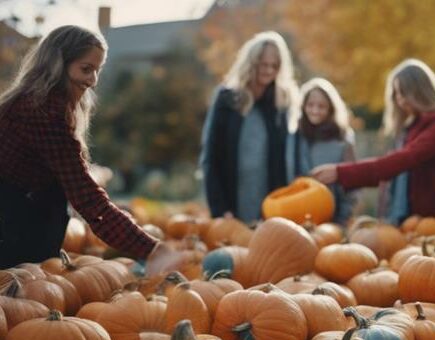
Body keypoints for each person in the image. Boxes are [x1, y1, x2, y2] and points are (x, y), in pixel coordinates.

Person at [0, 25, 182, 272]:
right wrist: (152, 250)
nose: (93, 81)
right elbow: (88, 200)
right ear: (58, 65)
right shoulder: (43, 114)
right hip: (11, 233)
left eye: (97, 71)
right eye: (86, 69)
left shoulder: (33, 102)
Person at [311, 59, 435, 225]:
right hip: (411, 220)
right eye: (396, 94)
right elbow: (390, 168)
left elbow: (401, 161)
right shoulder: (411, 127)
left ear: (419, 91)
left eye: (403, 93)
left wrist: (341, 173)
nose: (400, 100)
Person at [200, 31, 297, 221]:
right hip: (232, 207)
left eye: (274, 66)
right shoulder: (227, 99)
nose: (268, 70)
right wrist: (220, 209)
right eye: (263, 64)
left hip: (269, 209)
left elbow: (284, 162)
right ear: (251, 63)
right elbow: (211, 158)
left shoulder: (281, 104)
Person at [287, 78, 357, 225]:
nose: (315, 110)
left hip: (333, 218)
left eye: (321, 106)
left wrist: (344, 218)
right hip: (298, 216)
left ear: (331, 109)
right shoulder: (294, 137)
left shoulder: (342, 139)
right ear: (303, 107)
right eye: (310, 105)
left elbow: (352, 183)